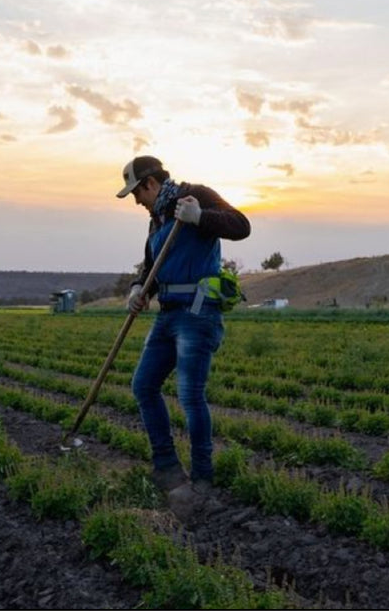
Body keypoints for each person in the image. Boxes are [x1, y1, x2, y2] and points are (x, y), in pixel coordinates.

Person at [117, 155, 250, 518]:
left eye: (136, 193)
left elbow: (241, 225)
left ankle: (203, 480)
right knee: (143, 385)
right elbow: (149, 266)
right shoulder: (156, 219)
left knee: (190, 394)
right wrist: (137, 288)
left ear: (150, 184)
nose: (136, 202)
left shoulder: (195, 196)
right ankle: (166, 468)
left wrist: (200, 218)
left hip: (197, 312)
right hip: (168, 313)